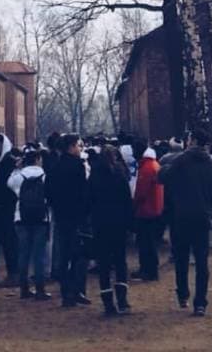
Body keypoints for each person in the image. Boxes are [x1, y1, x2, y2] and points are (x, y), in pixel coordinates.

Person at [163, 126, 212, 316]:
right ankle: (200, 303)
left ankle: (183, 294)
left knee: (181, 258)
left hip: (181, 216)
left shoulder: (181, 160)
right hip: (203, 217)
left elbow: (163, 177)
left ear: (194, 141)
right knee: (202, 261)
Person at [87, 144, 133, 316]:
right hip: (118, 222)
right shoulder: (120, 175)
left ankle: (108, 303)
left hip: (100, 223)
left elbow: (89, 199)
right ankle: (122, 301)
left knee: (104, 263)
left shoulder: (94, 175)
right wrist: (130, 222)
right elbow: (127, 200)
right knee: (120, 261)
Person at [47, 134, 90, 308]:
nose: (80, 149)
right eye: (78, 146)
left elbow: (48, 192)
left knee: (64, 255)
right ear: (71, 147)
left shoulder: (55, 166)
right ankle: (78, 289)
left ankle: (66, 293)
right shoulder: (78, 166)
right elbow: (84, 192)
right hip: (77, 216)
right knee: (80, 255)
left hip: (61, 215)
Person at [9, 147, 51, 300]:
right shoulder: (44, 176)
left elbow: (9, 184)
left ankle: (24, 288)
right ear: (38, 159)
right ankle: (40, 289)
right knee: (39, 255)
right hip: (41, 218)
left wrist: (16, 169)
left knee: (23, 254)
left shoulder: (19, 176)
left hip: (21, 217)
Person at [0, 144, 20, 284]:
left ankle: (12, 273)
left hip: (6, 208)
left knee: (7, 242)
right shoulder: (0, 161)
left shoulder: (8, 161)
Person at [133, 143, 163, 281]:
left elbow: (141, 192)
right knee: (151, 241)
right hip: (155, 207)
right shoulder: (155, 165)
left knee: (145, 241)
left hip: (146, 209)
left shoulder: (146, 168)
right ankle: (152, 268)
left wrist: (134, 205)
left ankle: (147, 269)